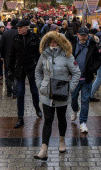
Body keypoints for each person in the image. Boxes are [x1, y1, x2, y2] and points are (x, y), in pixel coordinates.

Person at [34, 31, 80, 160]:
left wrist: (69, 89)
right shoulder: (44, 55)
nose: (53, 44)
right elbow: (37, 71)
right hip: (46, 94)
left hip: (61, 93)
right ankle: (44, 149)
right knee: (47, 120)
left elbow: (76, 73)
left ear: (61, 43)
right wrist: (40, 86)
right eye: (51, 42)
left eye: (55, 42)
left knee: (61, 118)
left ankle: (62, 140)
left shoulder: (67, 56)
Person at [8, 19, 42, 128]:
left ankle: (37, 107)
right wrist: (10, 69)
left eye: (20, 27)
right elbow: (12, 55)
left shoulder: (34, 37)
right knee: (20, 92)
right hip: (20, 69)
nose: (18, 29)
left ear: (26, 28)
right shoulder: (15, 38)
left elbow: (39, 53)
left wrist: (38, 66)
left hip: (32, 67)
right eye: (17, 28)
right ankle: (20, 117)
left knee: (34, 91)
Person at [68, 27, 101, 133]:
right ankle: (74, 109)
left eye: (85, 35)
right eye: (81, 35)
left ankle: (83, 122)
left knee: (85, 101)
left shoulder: (93, 45)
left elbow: (99, 59)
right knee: (73, 98)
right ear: (77, 34)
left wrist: (92, 69)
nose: (83, 37)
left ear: (88, 35)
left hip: (86, 77)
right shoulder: (72, 43)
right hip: (74, 78)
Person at [1, 18, 19, 97]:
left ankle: (9, 91)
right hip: (17, 58)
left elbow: (2, 46)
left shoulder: (5, 33)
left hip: (7, 57)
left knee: (8, 74)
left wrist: (2, 56)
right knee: (16, 75)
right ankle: (15, 91)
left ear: (11, 24)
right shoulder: (19, 33)